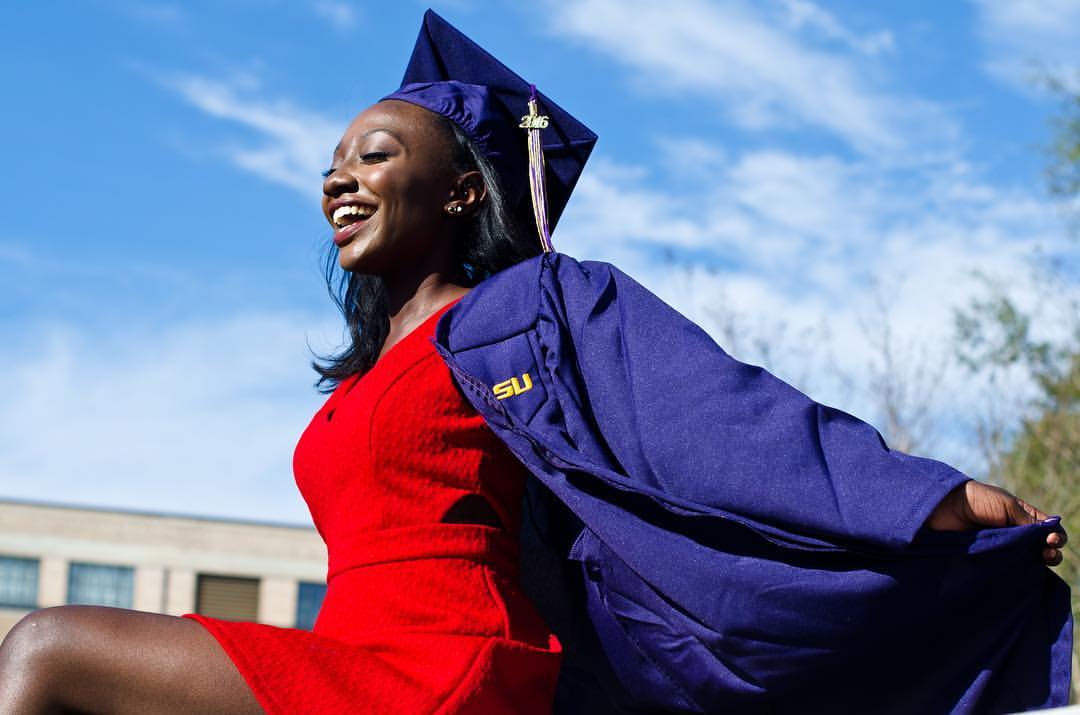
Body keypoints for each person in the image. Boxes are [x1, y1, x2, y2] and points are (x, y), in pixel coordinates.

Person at [0, 9, 1069, 715]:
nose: (338, 180)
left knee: (46, 650)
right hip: (355, 655)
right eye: (330, 166)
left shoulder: (528, 312)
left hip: (448, 660)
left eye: (373, 153)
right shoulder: (360, 383)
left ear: (463, 188)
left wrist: (928, 498)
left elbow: (719, 421)